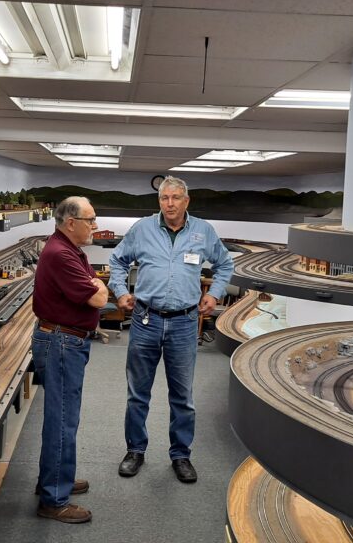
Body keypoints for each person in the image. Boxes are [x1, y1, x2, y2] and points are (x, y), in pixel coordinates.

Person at [108, 176, 234, 483]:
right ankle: (135, 450)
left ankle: (181, 455)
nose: (170, 204)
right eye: (165, 198)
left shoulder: (203, 231)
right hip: (145, 320)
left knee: (182, 397)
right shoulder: (142, 229)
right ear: (159, 201)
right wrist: (119, 290)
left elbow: (225, 264)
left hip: (184, 322)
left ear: (186, 201)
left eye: (176, 198)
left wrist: (214, 293)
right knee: (138, 393)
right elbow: (117, 260)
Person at [31, 196, 108, 523]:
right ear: (70, 222)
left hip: (64, 341)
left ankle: (55, 479)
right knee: (63, 421)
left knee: (62, 419)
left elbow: (96, 287)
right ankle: (54, 500)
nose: (95, 226)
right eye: (90, 220)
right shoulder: (62, 254)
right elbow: (97, 297)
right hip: (62, 343)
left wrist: (96, 286)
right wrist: (97, 288)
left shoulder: (70, 250)